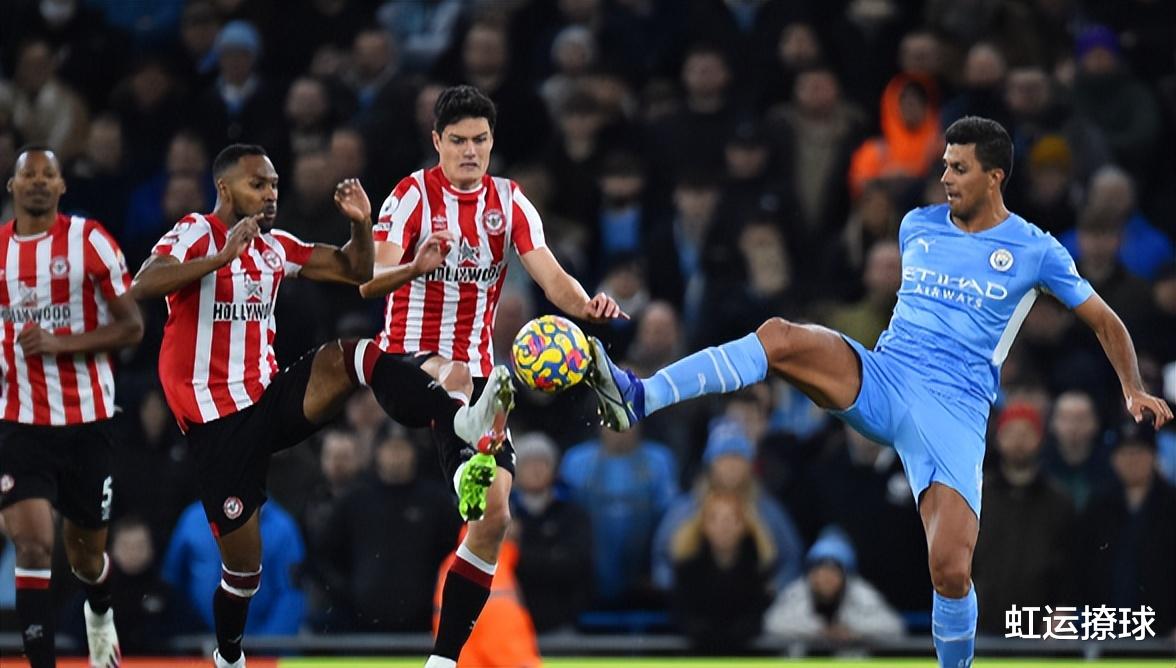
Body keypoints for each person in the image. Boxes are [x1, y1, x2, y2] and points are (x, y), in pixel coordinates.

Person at [587, 116, 1174, 667]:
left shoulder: (1035, 249)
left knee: (950, 571)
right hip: (886, 378)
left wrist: (1132, 389)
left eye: (959, 168)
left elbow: (1105, 320)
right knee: (780, 336)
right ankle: (641, 395)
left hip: (954, 411)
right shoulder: (917, 225)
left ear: (995, 176)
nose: (945, 177)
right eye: (944, 165)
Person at [130, 144, 508, 668]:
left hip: (268, 398)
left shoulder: (274, 247)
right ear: (224, 189)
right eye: (257, 185)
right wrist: (219, 258)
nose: (270, 195)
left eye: (274, 185)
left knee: (352, 355)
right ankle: (229, 655)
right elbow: (144, 282)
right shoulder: (198, 231)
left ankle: (455, 416)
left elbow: (356, 270)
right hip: (218, 425)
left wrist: (361, 224)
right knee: (244, 573)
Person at [360, 85, 624, 668]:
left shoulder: (509, 201)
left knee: (496, 513)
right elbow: (373, 277)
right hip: (405, 362)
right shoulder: (409, 196)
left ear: (492, 141)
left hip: (476, 376)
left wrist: (587, 306)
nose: (470, 151)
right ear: (437, 141)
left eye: (479, 140)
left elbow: (551, 276)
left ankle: (443, 660)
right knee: (454, 377)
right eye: (457, 141)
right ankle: (468, 448)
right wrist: (417, 264)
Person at [0, 146, 144, 667]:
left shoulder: (90, 241)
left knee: (85, 558)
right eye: (29, 174)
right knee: (33, 546)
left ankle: (99, 612)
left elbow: (132, 328)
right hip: (19, 423)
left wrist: (60, 344)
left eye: (49, 174)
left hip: (88, 421)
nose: (39, 181)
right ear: (12, 186)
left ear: (62, 186)